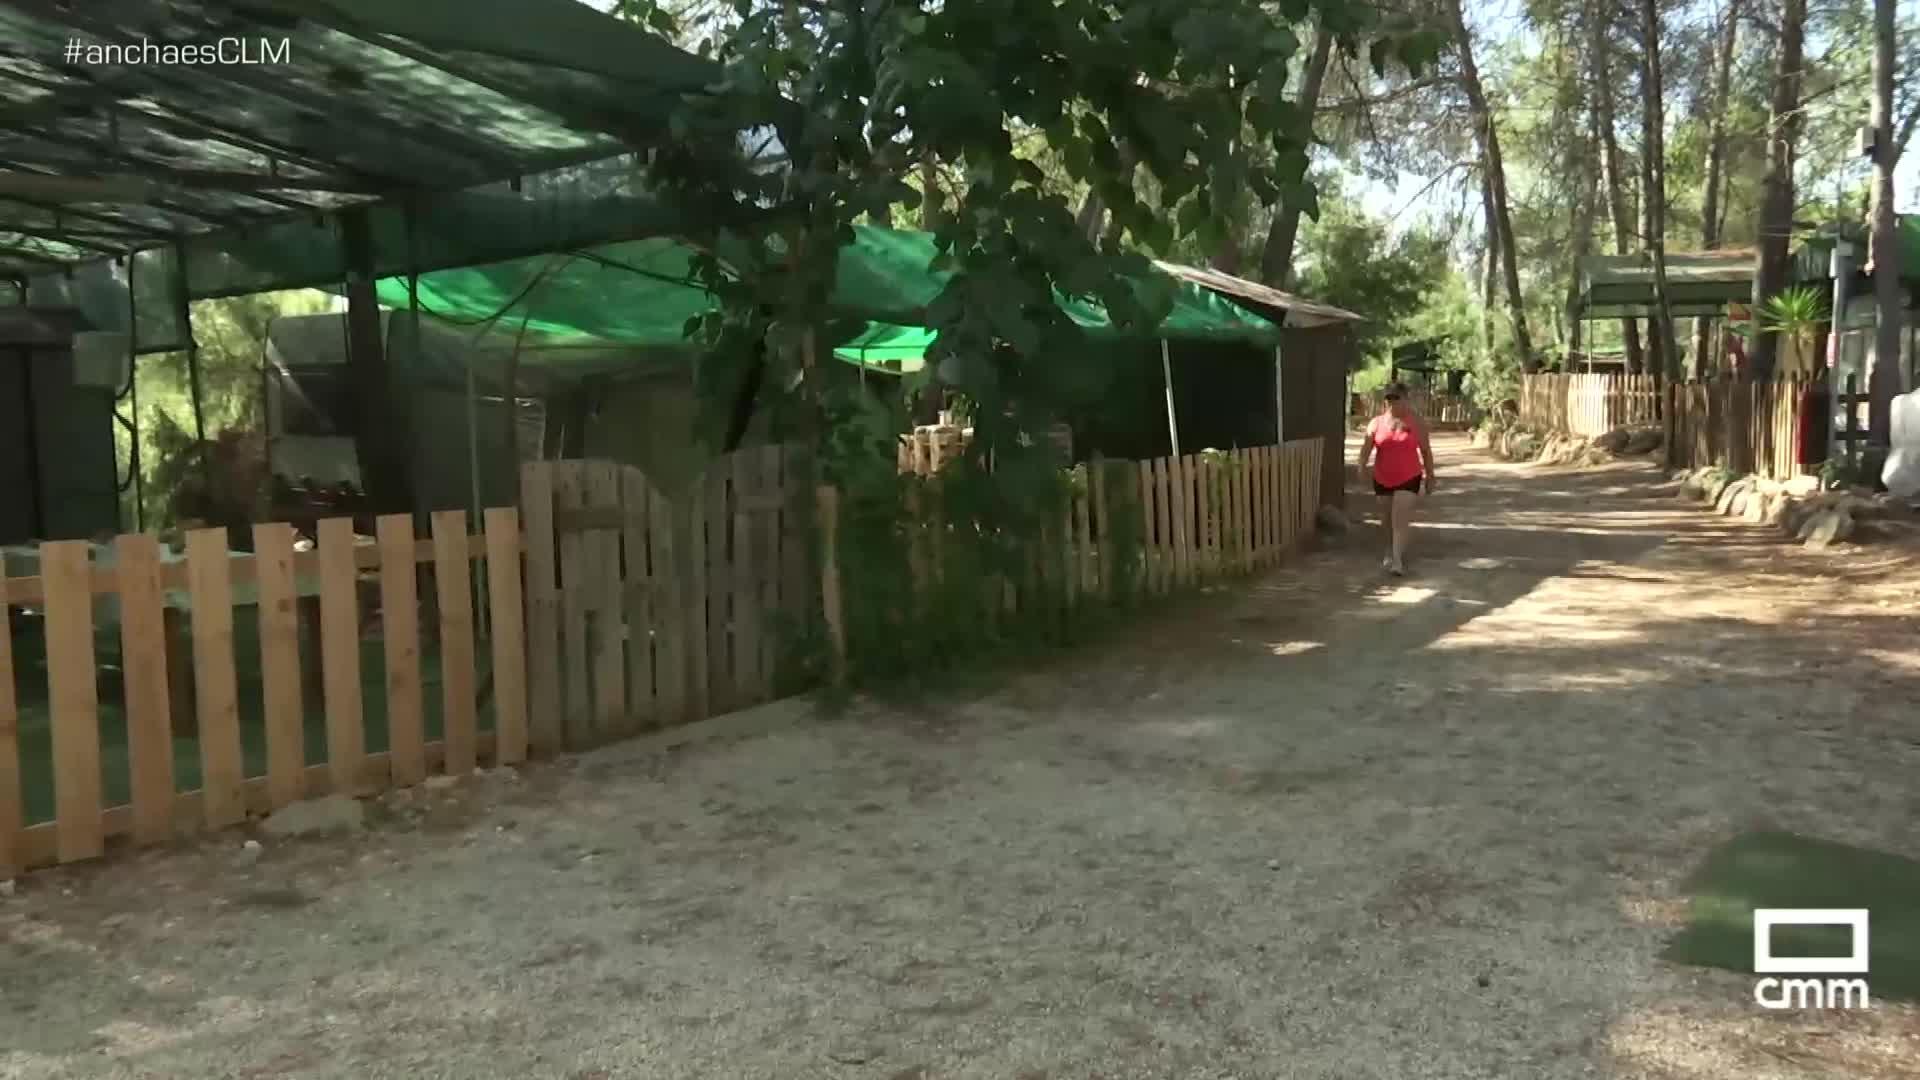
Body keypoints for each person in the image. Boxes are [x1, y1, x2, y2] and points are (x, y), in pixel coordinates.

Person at [1355, 382, 1436, 575]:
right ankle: (1389, 551)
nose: (1392, 402)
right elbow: (1366, 449)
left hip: (1409, 477)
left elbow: (1426, 451)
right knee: (1386, 520)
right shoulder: (1376, 423)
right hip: (1382, 477)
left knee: (1399, 517)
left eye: (1396, 398)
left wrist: (1430, 476)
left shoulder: (1416, 423)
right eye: (1388, 398)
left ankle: (1397, 559)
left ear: (1406, 399)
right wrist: (1361, 466)